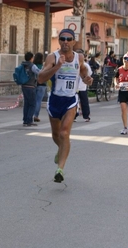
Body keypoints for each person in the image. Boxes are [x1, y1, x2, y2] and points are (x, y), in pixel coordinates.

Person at [37, 29, 92, 184]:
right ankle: (62, 149)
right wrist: (57, 66)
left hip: (70, 101)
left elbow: (83, 71)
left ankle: (60, 169)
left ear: (73, 42)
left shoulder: (79, 57)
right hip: (55, 100)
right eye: (63, 39)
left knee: (64, 133)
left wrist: (87, 78)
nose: (66, 42)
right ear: (59, 41)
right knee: (56, 136)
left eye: (69, 39)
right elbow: (40, 78)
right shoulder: (52, 57)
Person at [21, 51, 40, 126]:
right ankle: (29, 120)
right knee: (32, 104)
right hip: (31, 86)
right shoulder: (32, 65)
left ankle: (25, 120)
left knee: (26, 104)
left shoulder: (22, 65)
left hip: (24, 86)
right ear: (31, 58)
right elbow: (39, 72)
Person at [75, 49, 92, 122]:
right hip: (74, 86)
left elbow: (89, 74)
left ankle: (86, 115)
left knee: (84, 101)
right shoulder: (73, 64)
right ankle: (74, 116)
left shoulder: (86, 65)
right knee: (74, 102)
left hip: (82, 86)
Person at [33, 52, 46, 122]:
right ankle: (36, 115)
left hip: (34, 84)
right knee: (38, 101)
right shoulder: (43, 66)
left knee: (34, 100)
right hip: (42, 84)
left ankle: (31, 114)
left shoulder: (33, 65)